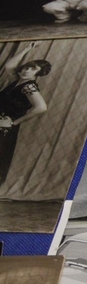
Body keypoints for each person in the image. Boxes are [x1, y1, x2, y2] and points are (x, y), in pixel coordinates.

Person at [0, 42, 51, 186]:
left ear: (37, 74)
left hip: (4, 127)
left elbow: (41, 107)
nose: (26, 70)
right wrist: (28, 48)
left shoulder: (29, 86)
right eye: (26, 66)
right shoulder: (16, 81)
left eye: (32, 69)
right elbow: (9, 66)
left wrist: (13, 123)